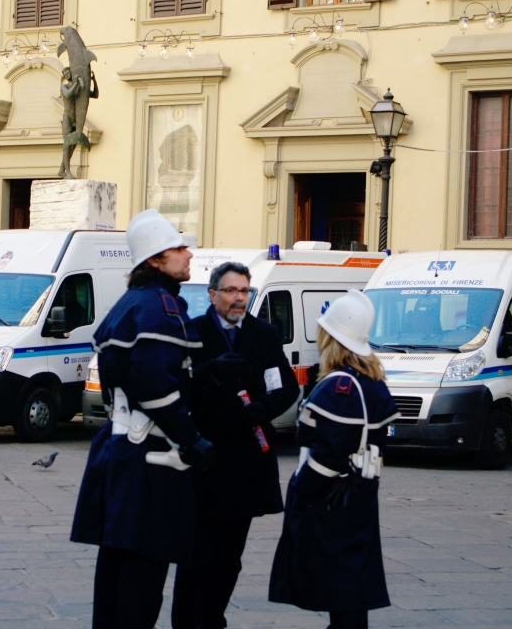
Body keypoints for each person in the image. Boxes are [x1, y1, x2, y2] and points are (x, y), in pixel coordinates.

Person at [70, 209, 216, 629]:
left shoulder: (132, 301)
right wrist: (190, 438)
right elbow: (154, 383)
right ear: (155, 259)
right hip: (150, 456)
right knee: (142, 579)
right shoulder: (159, 306)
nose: (189, 254)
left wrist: (206, 373)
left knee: (116, 571)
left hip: (122, 450)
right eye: (178, 248)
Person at [171, 262, 299, 629]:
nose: (238, 298)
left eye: (243, 291)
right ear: (212, 295)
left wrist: (264, 408)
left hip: (246, 462)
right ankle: (187, 622)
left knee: (230, 556)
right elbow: (177, 387)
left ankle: (214, 619)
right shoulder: (193, 332)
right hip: (204, 459)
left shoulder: (264, 334)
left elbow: (286, 387)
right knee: (196, 554)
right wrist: (208, 372)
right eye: (230, 291)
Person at [269, 291, 399, 629]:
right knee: (351, 589)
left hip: (331, 501)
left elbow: (330, 453)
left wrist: (301, 490)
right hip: (360, 496)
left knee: (342, 591)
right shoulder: (372, 382)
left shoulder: (341, 386)